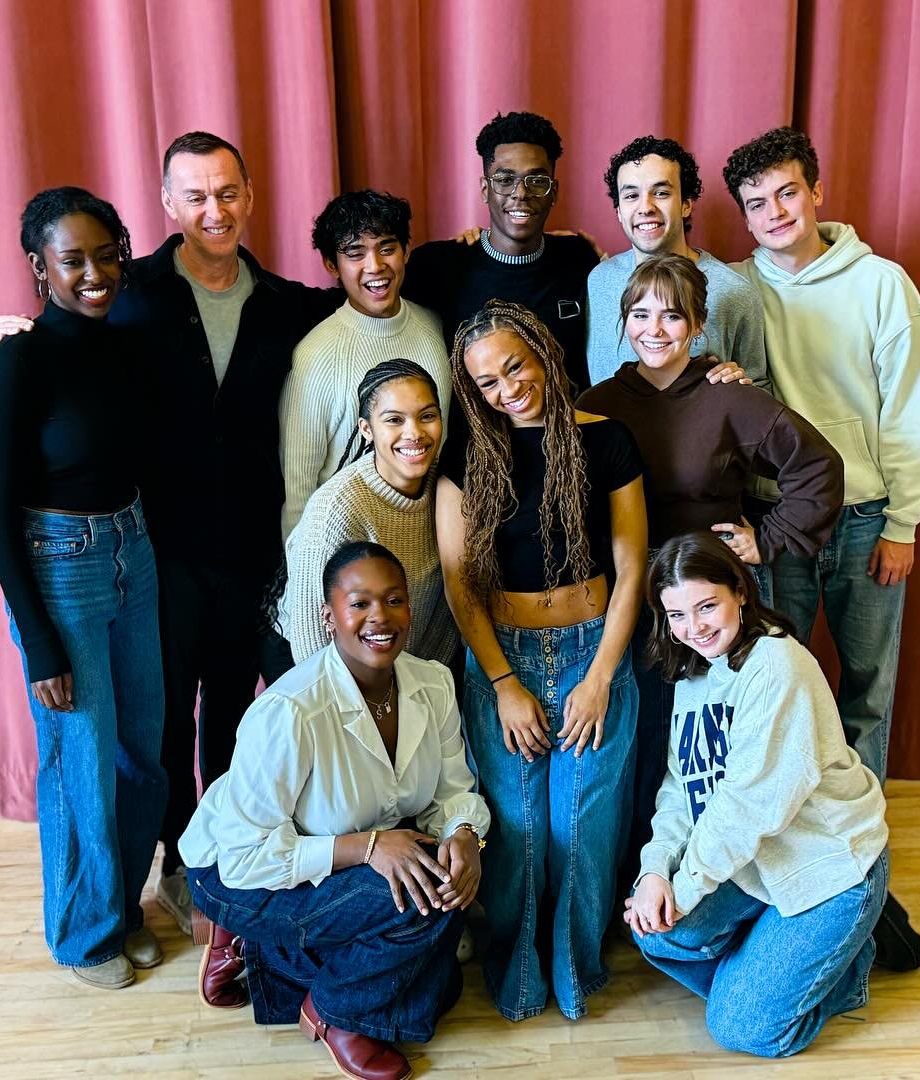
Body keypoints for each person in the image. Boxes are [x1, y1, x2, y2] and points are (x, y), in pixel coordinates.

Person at [0, 131, 340, 937]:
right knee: (160, 723)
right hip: (153, 548)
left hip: (250, 548)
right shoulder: (129, 291)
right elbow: (65, 345)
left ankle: (219, 857)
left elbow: (373, 294)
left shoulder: (286, 303)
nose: (214, 210)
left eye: (227, 192)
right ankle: (172, 866)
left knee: (232, 714)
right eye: (196, 195)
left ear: (249, 196)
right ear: (168, 204)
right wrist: (18, 338)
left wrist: (473, 253)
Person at [724, 126, 920, 969]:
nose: (776, 212)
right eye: (757, 203)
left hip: (864, 518)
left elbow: (908, 410)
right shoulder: (736, 291)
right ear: (743, 216)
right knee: (781, 693)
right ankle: (793, 861)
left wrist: (903, 522)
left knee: (867, 693)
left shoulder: (882, 285)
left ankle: (864, 866)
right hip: (776, 524)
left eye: (788, 192)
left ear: (816, 191)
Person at [577, 253, 844, 891]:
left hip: (713, 604)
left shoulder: (730, 397)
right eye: (640, 314)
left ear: (698, 325)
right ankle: (642, 882)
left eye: (672, 316)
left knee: (715, 745)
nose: (654, 329)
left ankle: (722, 880)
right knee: (643, 744)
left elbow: (819, 468)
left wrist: (767, 538)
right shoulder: (597, 404)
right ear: (622, 321)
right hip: (634, 603)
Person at [180, 541, 489, 1080]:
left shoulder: (433, 683)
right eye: (359, 603)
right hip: (237, 871)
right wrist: (369, 848)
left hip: (331, 846)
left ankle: (267, 957)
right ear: (329, 617)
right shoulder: (290, 711)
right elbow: (243, 857)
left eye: (394, 600)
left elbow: (452, 792)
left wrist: (464, 835)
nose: (380, 617)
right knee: (418, 911)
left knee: (444, 962)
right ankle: (335, 1013)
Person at [0, 187, 167, 989]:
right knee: (79, 758)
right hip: (61, 566)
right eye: (73, 260)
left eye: (106, 255)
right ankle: (85, 937)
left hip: (133, 549)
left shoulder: (123, 341)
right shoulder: (17, 360)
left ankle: (121, 907)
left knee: (143, 751)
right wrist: (39, 640)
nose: (95, 273)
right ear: (39, 266)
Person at [435, 300, 647, 1021]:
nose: (508, 389)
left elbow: (631, 565)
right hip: (506, 662)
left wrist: (601, 677)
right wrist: (502, 683)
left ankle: (576, 970)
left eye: (515, 366)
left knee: (582, 829)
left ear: (544, 354)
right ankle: (517, 972)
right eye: (488, 382)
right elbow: (461, 586)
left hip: (593, 650)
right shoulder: (466, 458)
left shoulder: (607, 439)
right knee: (519, 833)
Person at [628, 531, 889, 1058]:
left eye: (707, 606)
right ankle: (787, 967)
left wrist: (685, 888)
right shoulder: (697, 671)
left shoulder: (776, 667)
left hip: (825, 869)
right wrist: (654, 871)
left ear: (741, 592)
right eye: (677, 615)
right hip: (755, 863)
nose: (694, 628)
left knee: (741, 1029)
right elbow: (681, 786)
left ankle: (840, 969)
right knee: (655, 926)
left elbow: (744, 808)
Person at [278, 190, 451, 539]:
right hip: (348, 552)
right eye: (355, 253)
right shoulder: (315, 355)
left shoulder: (434, 327)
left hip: (431, 544)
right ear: (332, 265)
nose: (375, 266)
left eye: (387, 248)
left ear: (405, 251)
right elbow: (298, 492)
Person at [404, 111, 599, 391]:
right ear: (485, 189)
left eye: (537, 181)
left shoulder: (579, 257)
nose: (520, 193)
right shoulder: (438, 265)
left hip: (568, 418)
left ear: (554, 192)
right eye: (505, 180)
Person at [279, 360, 457, 665]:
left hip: (406, 668)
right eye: (394, 420)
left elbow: (446, 604)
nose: (414, 432)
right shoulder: (337, 507)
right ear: (366, 429)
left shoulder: (448, 488)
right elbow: (311, 639)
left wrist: (420, 680)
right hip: (319, 666)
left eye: (427, 416)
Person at [585, 135, 768, 389]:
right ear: (618, 211)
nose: (645, 207)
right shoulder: (600, 281)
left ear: (686, 205)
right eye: (631, 195)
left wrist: (741, 385)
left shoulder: (735, 291)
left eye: (661, 193)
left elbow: (758, 386)